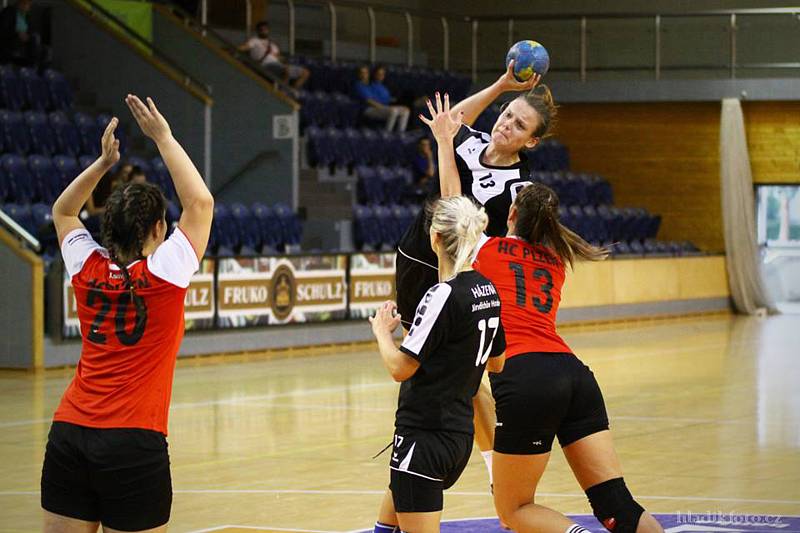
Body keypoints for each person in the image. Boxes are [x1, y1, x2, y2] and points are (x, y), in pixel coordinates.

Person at [40, 95, 214, 533]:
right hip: (133, 441)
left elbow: (63, 210)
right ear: (158, 230)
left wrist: (102, 164)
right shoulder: (164, 273)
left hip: (69, 433)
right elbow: (200, 204)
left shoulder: (86, 264)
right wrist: (164, 138)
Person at [472, 182, 664, 533]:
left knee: (513, 510)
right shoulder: (555, 261)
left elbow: (454, 204)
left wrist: (443, 142)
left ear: (511, 215)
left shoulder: (487, 249)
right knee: (617, 504)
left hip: (526, 377)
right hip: (574, 373)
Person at [394, 62, 547, 481]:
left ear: (531, 142)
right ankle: (445, 448)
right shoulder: (474, 140)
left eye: (519, 126)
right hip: (415, 262)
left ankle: (493, 462)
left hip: (456, 279)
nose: (506, 125)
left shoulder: (517, 187)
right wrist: (500, 85)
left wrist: (445, 144)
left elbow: (453, 210)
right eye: (507, 114)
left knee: (467, 375)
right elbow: (451, 120)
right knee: (429, 366)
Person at [369, 193, 506, 533]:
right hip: (459, 435)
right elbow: (497, 363)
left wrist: (382, 333)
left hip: (425, 436)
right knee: (386, 525)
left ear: (435, 238)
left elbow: (401, 368)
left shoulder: (442, 294)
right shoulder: (487, 290)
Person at [238, 20, 309, 90]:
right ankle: (283, 91)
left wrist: (284, 60)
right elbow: (244, 47)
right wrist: (234, 49)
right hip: (265, 65)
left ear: (268, 30)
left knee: (305, 73)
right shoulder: (254, 40)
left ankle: (293, 91)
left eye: (265, 29)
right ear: (258, 31)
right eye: (261, 29)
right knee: (286, 70)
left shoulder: (273, 45)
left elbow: (278, 58)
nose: (263, 31)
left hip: (277, 64)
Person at [354, 65, 410, 132]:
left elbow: (385, 99)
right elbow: (369, 101)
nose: (364, 75)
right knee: (393, 111)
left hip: (382, 108)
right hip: (368, 109)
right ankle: (387, 133)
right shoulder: (359, 85)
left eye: (366, 73)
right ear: (358, 74)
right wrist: (384, 108)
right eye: (362, 73)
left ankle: (400, 133)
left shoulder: (369, 85)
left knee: (405, 110)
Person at [0, 0, 43, 66]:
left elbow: (31, 30)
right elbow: (3, 29)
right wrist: (17, 34)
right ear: (20, 3)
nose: (28, 7)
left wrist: (27, 35)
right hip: (11, 39)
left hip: (24, 42)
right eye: (26, 4)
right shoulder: (9, 12)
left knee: (35, 38)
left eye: (29, 5)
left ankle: (32, 66)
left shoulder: (27, 16)